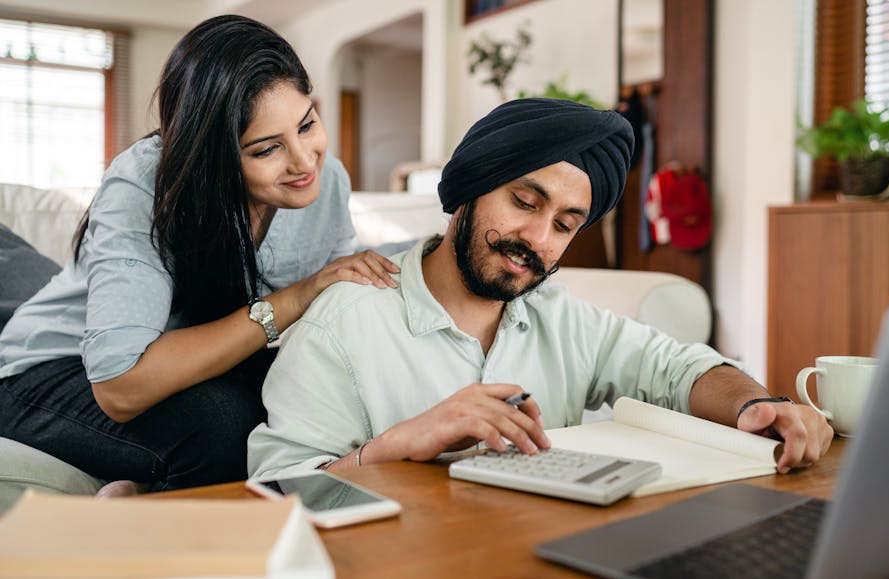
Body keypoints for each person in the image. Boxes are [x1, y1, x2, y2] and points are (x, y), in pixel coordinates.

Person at [247, 98, 833, 480]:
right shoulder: (344, 321)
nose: (536, 238)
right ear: (471, 191)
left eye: (563, 224)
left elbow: (677, 369)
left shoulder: (558, 314)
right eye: (524, 202)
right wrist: (401, 442)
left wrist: (758, 404)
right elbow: (276, 487)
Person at [0, 15, 398, 493]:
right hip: (54, 370)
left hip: (191, 365)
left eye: (307, 123)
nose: (304, 159)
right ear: (213, 155)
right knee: (224, 426)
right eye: (267, 149)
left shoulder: (326, 179)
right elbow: (121, 386)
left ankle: (139, 494)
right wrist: (294, 299)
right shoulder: (143, 184)